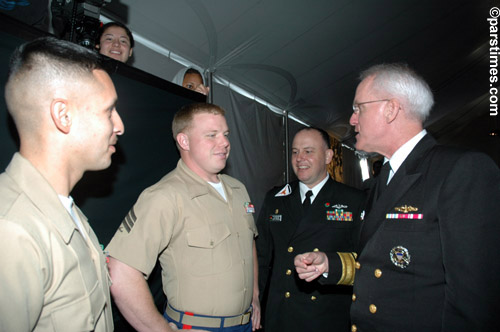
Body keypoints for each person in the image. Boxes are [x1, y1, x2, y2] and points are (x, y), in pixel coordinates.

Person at [294, 63, 500, 331]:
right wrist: (329, 264)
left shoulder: (461, 170)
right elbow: (378, 263)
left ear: (391, 109)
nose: (352, 119)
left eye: (359, 108)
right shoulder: (379, 182)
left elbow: (476, 300)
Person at [0, 36, 125, 331]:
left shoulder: (68, 213)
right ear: (63, 115)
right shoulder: (11, 230)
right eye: (109, 110)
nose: (119, 125)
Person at [106, 102, 261, 332]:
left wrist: (255, 296)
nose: (225, 142)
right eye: (212, 135)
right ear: (184, 141)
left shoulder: (238, 189)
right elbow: (120, 273)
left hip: (245, 324)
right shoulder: (165, 196)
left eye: (225, 134)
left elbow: (249, 244)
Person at [256, 127, 365, 332]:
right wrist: (257, 302)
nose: (300, 158)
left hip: (326, 316)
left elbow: (365, 260)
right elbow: (262, 257)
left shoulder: (353, 200)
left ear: (328, 156)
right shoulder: (275, 198)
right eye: (295, 152)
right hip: (281, 315)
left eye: (308, 151)